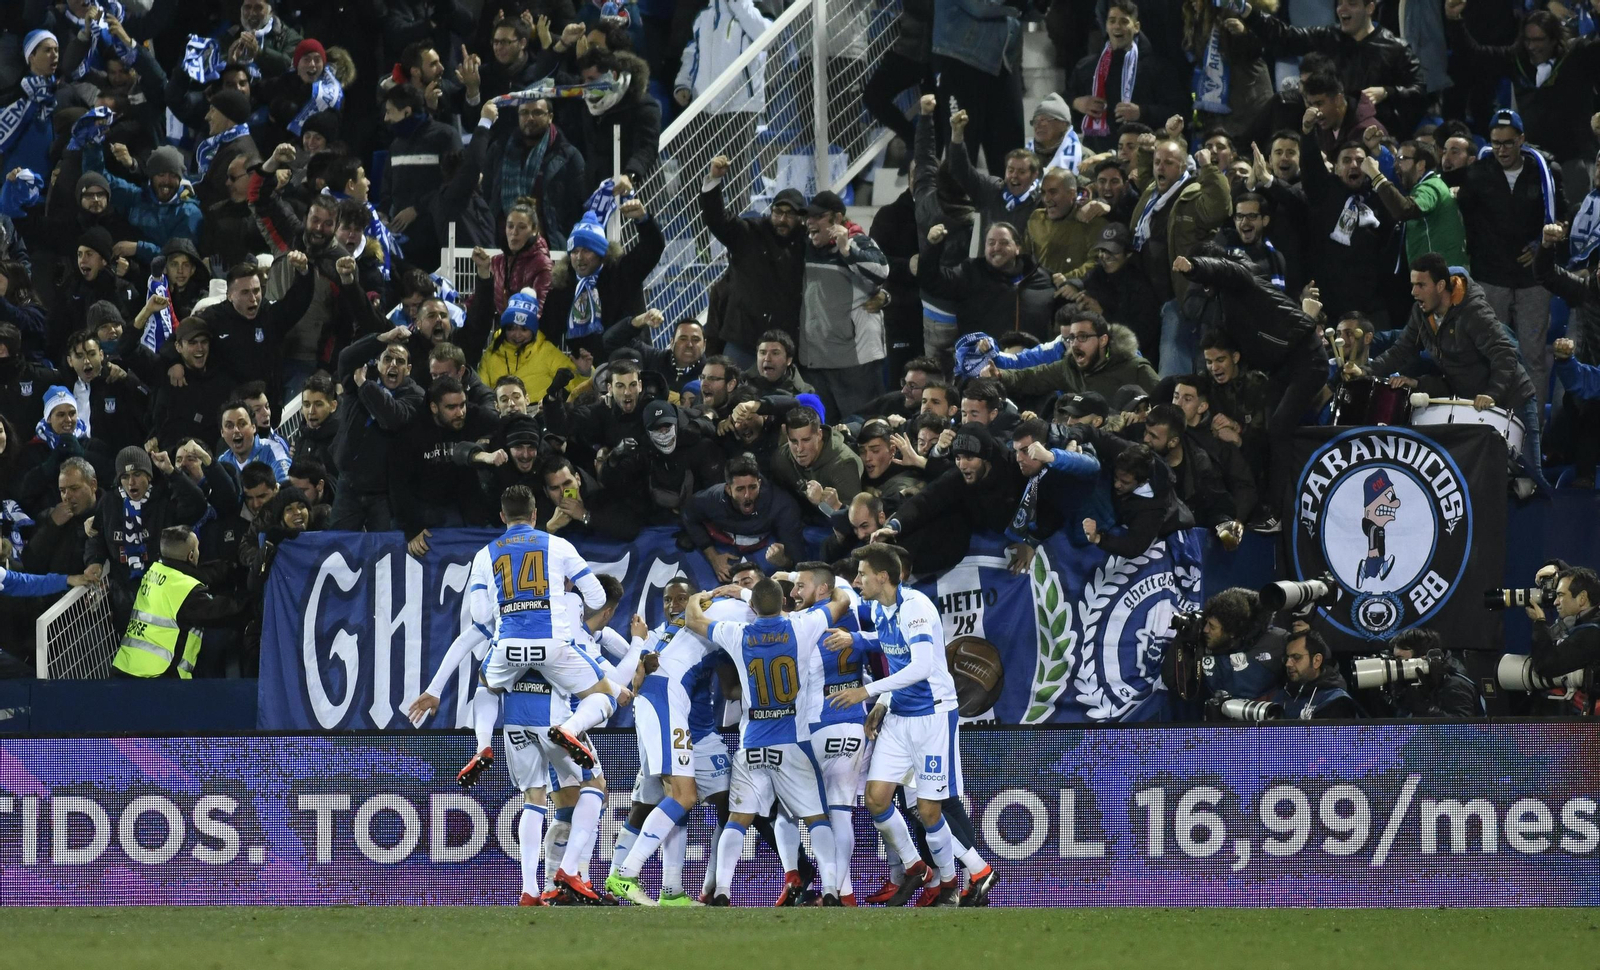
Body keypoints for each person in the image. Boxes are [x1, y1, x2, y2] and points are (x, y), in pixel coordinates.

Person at [683, 578, 852, 907]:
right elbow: (842, 601)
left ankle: (722, 891)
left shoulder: (738, 633)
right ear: (783, 603)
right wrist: (831, 587)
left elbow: (693, 619)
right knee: (817, 818)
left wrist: (697, 597)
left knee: (738, 819)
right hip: (793, 743)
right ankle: (831, 890)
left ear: (753, 608)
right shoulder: (801, 626)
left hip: (752, 744)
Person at [823, 542, 962, 907]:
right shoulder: (880, 609)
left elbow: (919, 666)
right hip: (900, 715)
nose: (857, 580)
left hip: (932, 715)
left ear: (882, 577)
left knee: (932, 810)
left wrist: (866, 691)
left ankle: (950, 883)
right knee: (876, 798)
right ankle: (918, 867)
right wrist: (856, 641)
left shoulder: (915, 607)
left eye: (863, 575)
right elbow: (886, 644)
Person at [461, 485, 620, 787]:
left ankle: (482, 744)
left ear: (502, 517)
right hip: (554, 646)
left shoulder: (485, 554)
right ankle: (571, 729)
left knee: (486, 688)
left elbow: (480, 616)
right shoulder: (559, 545)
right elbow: (597, 598)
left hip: (508, 647)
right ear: (535, 515)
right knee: (604, 694)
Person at [1351, 253, 1546, 492]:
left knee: (1531, 485)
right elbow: (1401, 351)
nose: (1414, 292)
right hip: (1475, 406)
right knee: (1490, 486)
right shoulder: (1420, 313)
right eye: (1412, 285)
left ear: (1441, 285)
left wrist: (1492, 393)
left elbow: (1504, 353)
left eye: (1420, 285)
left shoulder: (1473, 312)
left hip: (1513, 399)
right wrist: (1365, 371)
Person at [1455, 109, 1562, 411]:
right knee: (1493, 356)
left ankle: (1534, 433)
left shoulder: (1545, 170)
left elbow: (1560, 217)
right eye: (1496, 143)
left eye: (1508, 143)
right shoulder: (1478, 173)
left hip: (1533, 280)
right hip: (1492, 278)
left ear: (1522, 140)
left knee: (1533, 357)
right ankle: (1494, 427)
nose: (1501, 149)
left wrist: (1540, 245)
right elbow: (1464, 216)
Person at [1238, 0, 1425, 136]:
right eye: (1339, 3)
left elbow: (1420, 91)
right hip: (1327, 127)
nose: (1342, 9)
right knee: (1284, 102)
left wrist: (1388, 92)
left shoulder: (1395, 48)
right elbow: (1286, 36)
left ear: (1369, 8)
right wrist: (1246, 11)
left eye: (1351, 3)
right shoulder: (1329, 37)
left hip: (1372, 132)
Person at [869, 423, 1023, 575]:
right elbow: (926, 500)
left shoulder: (1016, 469)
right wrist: (894, 525)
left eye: (969, 457)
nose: (962, 465)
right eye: (958, 457)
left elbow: (1041, 498)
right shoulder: (959, 476)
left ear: (985, 458)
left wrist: (1031, 542)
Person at [700, 159, 806, 369]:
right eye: (778, 212)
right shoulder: (750, 233)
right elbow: (716, 219)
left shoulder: (806, 242)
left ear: (801, 218)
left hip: (785, 345)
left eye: (790, 214)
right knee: (731, 395)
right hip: (743, 342)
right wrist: (714, 181)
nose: (782, 219)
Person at [798, 191, 890, 420]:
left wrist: (846, 250)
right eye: (808, 216)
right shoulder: (808, 246)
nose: (810, 222)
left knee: (863, 427)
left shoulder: (858, 240)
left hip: (854, 362)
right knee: (824, 430)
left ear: (837, 219)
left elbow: (882, 272)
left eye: (818, 217)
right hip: (816, 359)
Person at [110, 525, 242, 678]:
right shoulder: (187, 592)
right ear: (191, 556)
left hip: (124, 668)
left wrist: (224, 569)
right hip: (158, 677)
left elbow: (188, 574)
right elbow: (228, 612)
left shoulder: (154, 571)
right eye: (197, 548)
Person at [330, 330, 426, 530]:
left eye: (399, 361)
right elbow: (345, 358)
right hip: (348, 484)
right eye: (387, 359)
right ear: (378, 363)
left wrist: (365, 385)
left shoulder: (416, 395)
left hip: (384, 493)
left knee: (384, 552)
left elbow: (392, 418)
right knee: (339, 549)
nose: (393, 365)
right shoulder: (356, 381)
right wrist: (382, 338)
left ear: (408, 369)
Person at [1067, 0, 1184, 155]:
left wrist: (1142, 112)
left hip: (1143, 157)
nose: (1117, 26)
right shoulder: (1087, 67)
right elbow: (1066, 98)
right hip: (1098, 155)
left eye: (1124, 21)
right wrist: (1077, 103)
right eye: (1112, 21)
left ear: (1136, 27)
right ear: (1106, 25)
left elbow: (1179, 111)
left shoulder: (1157, 67)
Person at [917, 222, 1058, 341]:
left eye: (1004, 243)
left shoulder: (1040, 276)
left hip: (1031, 364)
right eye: (991, 243)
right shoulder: (970, 272)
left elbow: (1066, 295)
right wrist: (932, 248)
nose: (996, 248)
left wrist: (1073, 284)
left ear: (1017, 248)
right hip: (982, 364)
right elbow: (931, 281)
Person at [990, 309, 1159, 403]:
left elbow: (1165, 403)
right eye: (1072, 338)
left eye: (1083, 337)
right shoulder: (1068, 367)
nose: (1075, 344)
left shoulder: (1134, 368)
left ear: (1103, 340)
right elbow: (1032, 377)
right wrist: (1000, 375)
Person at [681, 453, 804, 581]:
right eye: (740, 489)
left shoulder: (781, 505)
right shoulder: (712, 499)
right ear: (728, 489)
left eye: (752, 487)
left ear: (759, 483)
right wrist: (713, 557)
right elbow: (688, 513)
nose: (747, 495)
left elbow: (799, 561)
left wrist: (785, 562)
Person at [1364, 138, 1468, 270]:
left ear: (1420, 165)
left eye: (1402, 158)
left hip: (1441, 277)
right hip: (1441, 275)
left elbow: (1405, 209)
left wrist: (1375, 175)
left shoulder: (1430, 186)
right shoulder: (1428, 185)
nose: (1396, 165)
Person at [1082, 441, 1194, 557]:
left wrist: (1098, 538)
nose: (1117, 484)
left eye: (1125, 482)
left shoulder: (1153, 510)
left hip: (1170, 526)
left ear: (1142, 482)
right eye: (1116, 477)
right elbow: (1095, 434)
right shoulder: (1127, 454)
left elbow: (1133, 547)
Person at [1379, 628, 1483, 718]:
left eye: (1400, 660)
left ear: (1422, 659)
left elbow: (1463, 731)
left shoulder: (1455, 685)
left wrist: (1426, 709)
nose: (1396, 666)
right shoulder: (1414, 685)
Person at [1525, 567, 1600, 683]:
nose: (1555, 602)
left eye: (1561, 595)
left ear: (1582, 598)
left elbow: (1545, 665)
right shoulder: (1583, 624)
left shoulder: (1592, 634)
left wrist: (1540, 622)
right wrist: (1554, 566)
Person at [1270, 627, 1363, 719]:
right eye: (1287, 658)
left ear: (1316, 661)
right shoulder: (1281, 696)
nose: (1288, 664)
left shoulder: (1336, 701)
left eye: (1296, 657)